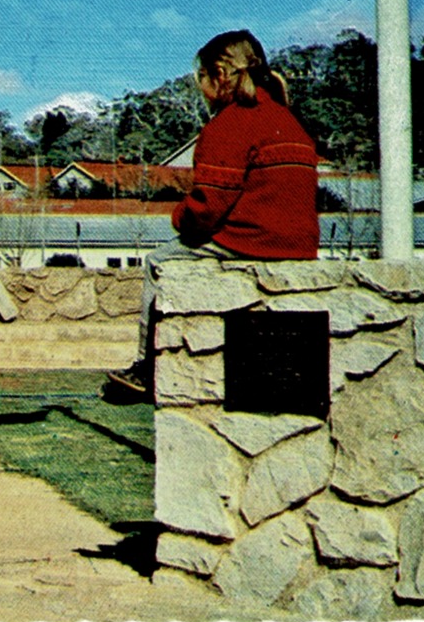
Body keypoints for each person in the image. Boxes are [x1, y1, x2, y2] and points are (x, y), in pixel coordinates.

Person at [105, 30, 319, 401]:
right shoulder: (288, 119)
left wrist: (179, 218)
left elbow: (208, 208)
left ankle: (147, 369)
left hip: (251, 243)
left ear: (220, 75)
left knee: (159, 261)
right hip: (300, 244)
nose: (202, 89)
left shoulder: (230, 123)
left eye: (202, 79)